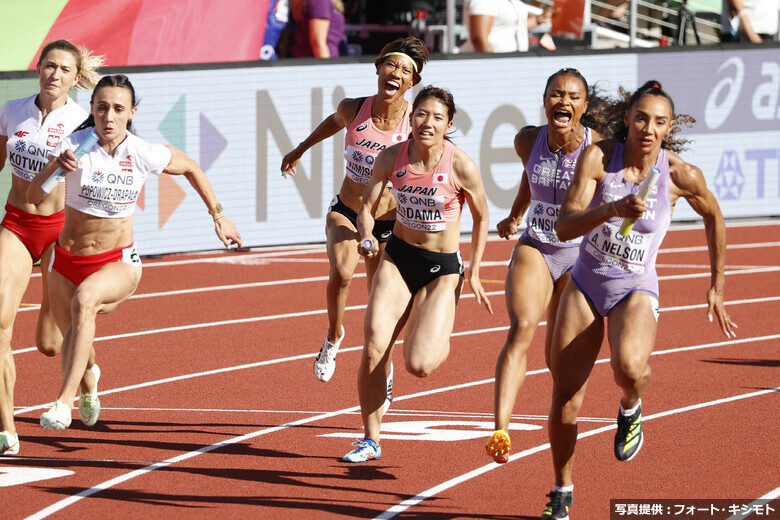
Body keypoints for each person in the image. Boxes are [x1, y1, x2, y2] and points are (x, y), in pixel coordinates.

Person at [541, 80, 737, 519]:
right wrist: (611, 209)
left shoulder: (679, 174)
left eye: (659, 122)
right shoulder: (599, 158)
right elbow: (566, 226)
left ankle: (631, 406)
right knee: (566, 397)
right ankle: (561, 490)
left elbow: (715, 216)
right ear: (628, 119)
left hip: (634, 287)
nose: (648, 128)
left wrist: (717, 285)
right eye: (642, 118)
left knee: (629, 368)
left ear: (669, 128)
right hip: (587, 283)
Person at [26, 74, 242, 431]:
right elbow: (34, 195)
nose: (108, 117)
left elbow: (189, 166)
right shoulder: (72, 146)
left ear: (131, 113)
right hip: (66, 262)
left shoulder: (142, 152)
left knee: (85, 303)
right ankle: (89, 379)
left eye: (117, 109)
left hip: (117, 262)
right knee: (71, 337)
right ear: (92, 111)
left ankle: (62, 403)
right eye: (101, 108)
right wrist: (55, 167)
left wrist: (218, 216)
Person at [342, 85, 493, 463]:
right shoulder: (392, 157)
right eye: (422, 114)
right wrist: (365, 235)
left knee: (420, 364)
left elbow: (482, 216)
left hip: (442, 269)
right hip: (399, 257)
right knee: (375, 344)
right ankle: (370, 439)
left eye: (437, 117)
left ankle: (438, 326)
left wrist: (473, 270)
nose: (428, 122)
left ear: (448, 125)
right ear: (412, 119)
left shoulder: (460, 166)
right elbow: (367, 208)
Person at [281, 37, 429, 385]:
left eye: (406, 71)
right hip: (347, 211)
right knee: (343, 270)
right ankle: (334, 336)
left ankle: (385, 360)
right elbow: (334, 122)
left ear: (412, 83)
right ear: (378, 69)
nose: (396, 73)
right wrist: (300, 149)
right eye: (391, 65)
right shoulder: (354, 108)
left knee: (382, 300)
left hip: (389, 225)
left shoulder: (414, 123)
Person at [485, 68, 610, 464]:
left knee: (558, 360)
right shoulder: (527, 140)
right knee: (521, 327)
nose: (564, 102)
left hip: (580, 257)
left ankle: (560, 418)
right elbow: (528, 177)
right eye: (557, 94)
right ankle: (500, 430)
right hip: (536, 245)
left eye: (573, 96)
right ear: (545, 101)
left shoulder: (600, 149)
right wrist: (514, 215)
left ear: (584, 107)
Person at [0, 40, 103, 456]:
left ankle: (88, 372)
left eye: (64, 69)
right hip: (16, 224)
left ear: (76, 77)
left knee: (49, 343)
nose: (54, 74)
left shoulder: (84, 122)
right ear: (37, 68)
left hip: (60, 231)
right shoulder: (11, 109)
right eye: (48, 66)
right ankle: (6, 427)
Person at [459, 0, 553, 53]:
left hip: (510, 62)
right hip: (495, 64)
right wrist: (494, 66)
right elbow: (479, 40)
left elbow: (513, 27)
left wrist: (539, 19)